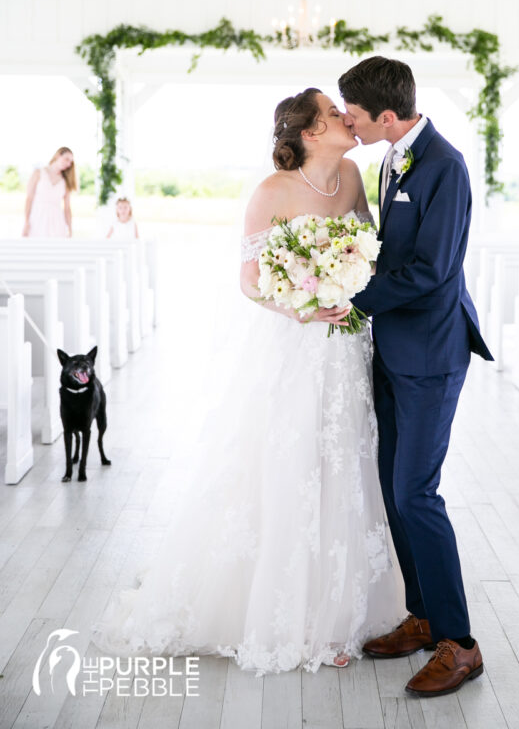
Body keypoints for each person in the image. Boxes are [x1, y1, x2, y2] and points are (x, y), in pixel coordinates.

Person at [90, 88, 406, 675]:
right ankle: (282, 613)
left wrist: (346, 281)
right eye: (334, 112)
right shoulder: (271, 192)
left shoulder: (357, 177)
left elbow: (370, 250)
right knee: (291, 462)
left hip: (348, 347)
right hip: (297, 344)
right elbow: (250, 279)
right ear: (310, 132)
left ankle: (341, 613)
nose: (345, 116)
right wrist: (304, 306)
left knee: (346, 460)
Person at [338, 56, 494, 699]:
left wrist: (353, 299)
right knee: (390, 487)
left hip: (431, 352)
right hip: (391, 351)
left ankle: (461, 645)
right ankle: (424, 615)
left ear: (388, 116)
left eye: (354, 114)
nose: (347, 121)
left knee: (416, 495)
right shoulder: (388, 156)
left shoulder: (446, 166)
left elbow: (431, 270)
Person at [22, 147, 77, 238]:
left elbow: (67, 208)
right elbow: (29, 199)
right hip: (37, 218)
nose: (68, 164)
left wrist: (70, 229)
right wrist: (26, 221)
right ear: (58, 155)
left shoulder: (65, 181)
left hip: (57, 221)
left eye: (70, 162)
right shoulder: (38, 173)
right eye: (66, 159)